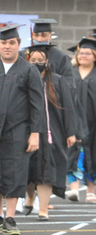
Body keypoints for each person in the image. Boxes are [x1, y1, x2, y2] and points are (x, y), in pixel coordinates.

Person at [0, 25, 43, 235]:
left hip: (17, 130)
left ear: (18, 45)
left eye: (11, 43)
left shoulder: (28, 69)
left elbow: (37, 104)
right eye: (3, 43)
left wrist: (35, 133)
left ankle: (10, 217)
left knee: (14, 172)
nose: (7, 46)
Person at [24, 45, 77, 220]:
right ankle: (30, 197)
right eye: (33, 61)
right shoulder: (23, 78)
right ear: (28, 61)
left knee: (46, 170)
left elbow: (68, 108)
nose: (37, 63)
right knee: (28, 169)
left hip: (50, 133)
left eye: (40, 61)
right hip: (27, 131)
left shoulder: (58, 81)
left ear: (47, 62)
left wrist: (70, 132)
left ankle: (43, 209)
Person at [66, 38, 96, 203]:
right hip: (74, 120)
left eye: (87, 53)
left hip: (93, 122)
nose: (83, 56)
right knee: (74, 153)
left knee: (93, 154)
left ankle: (91, 191)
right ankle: (74, 189)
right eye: (81, 53)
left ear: (94, 56)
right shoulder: (70, 73)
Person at [28, 19, 74, 83]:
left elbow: (68, 83)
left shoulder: (61, 57)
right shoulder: (24, 54)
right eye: (36, 35)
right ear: (32, 35)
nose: (39, 39)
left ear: (50, 36)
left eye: (43, 35)